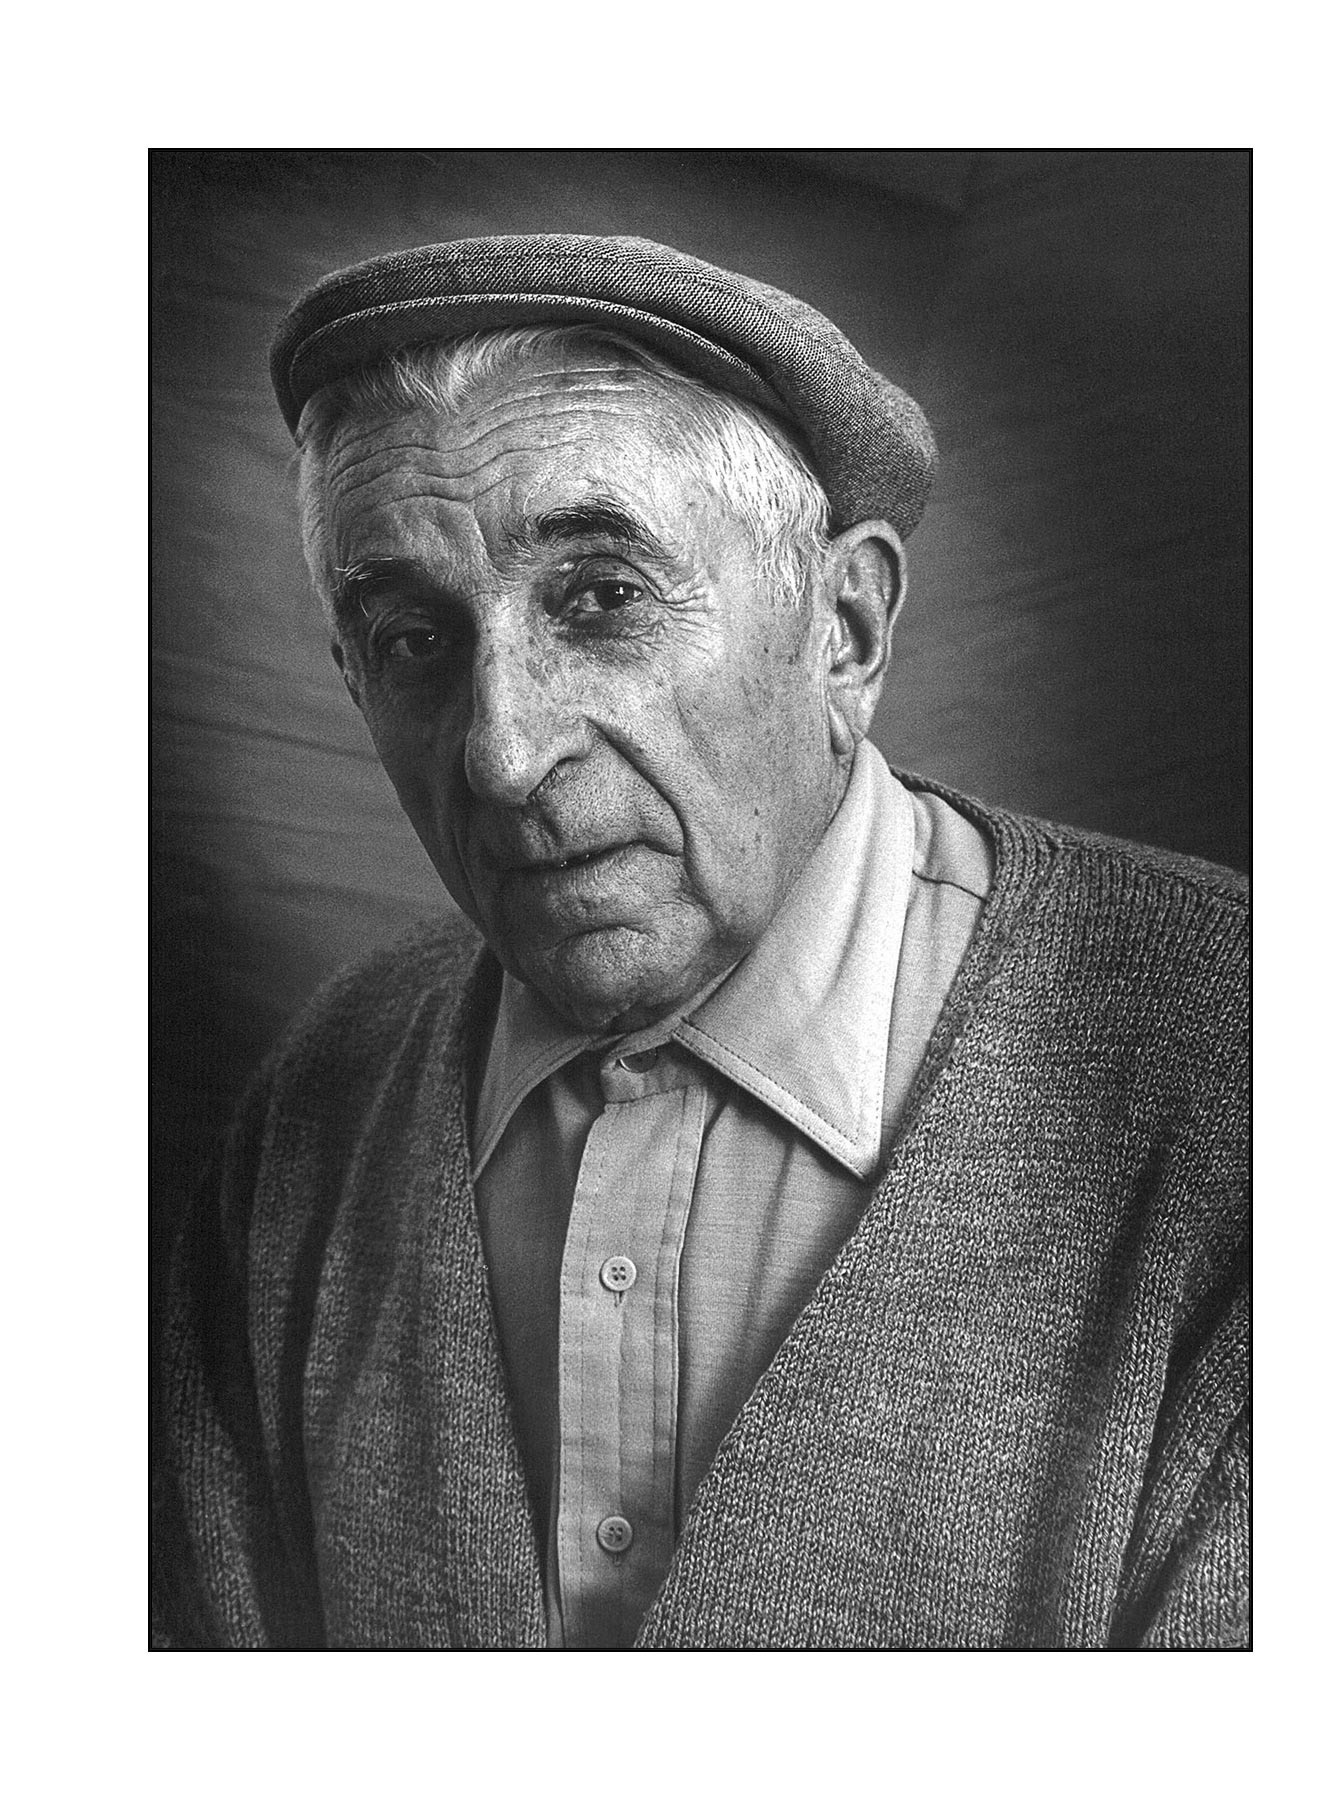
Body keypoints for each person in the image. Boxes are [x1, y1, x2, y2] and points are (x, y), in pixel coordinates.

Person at [154, 232, 1249, 1650]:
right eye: (414, 640)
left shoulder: (1251, 1070)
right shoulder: (324, 1096)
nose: (502, 753)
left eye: (602, 598)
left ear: (844, 628)